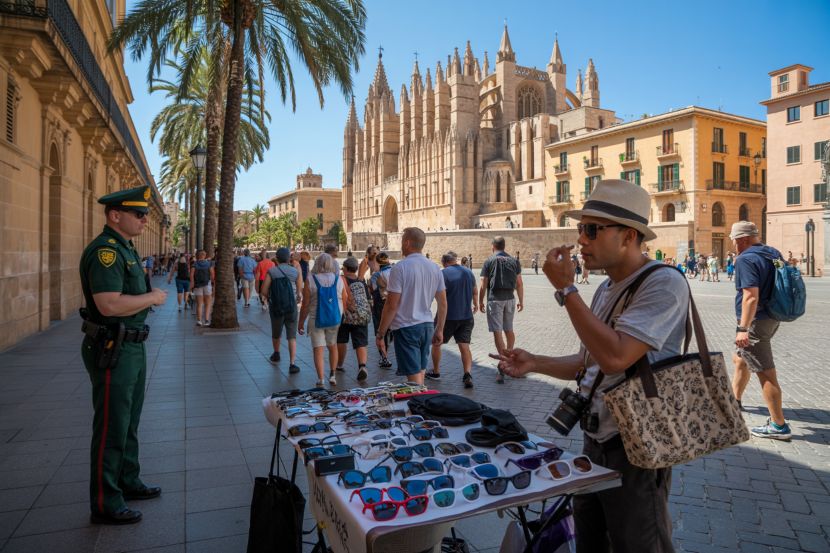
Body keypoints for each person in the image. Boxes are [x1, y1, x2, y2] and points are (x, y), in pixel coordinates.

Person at [493, 179, 687, 552]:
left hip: (637, 448)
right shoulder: (604, 288)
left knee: (637, 544)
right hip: (595, 441)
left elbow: (617, 356)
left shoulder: (663, 284)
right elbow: (590, 363)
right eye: (581, 229)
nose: (581, 239)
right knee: (589, 542)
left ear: (629, 236)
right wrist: (536, 362)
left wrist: (567, 291)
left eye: (592, 230)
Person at [79, 186, 168, 525]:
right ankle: (105, 501)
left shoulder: (125, 249)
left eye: (146, 214)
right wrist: (153, 298)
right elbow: (109, 303)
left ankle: (128, 481)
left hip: (130, 346)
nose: (145, 219)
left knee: (129, 421)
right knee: (112, 427)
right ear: (115, 216)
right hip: (112, 348)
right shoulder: (107, 252)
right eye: (138, 214)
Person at [729, 221, 791, 440]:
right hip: (772, 316)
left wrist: (743, 328)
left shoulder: (746, 259)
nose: (734, 245)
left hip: (756, 320)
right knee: (740, 358)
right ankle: (734, 400)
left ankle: (778, 425)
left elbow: (750, 296)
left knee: (765, 372)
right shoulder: (772, 253)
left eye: (734, 240)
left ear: (742, 239)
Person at [375, 228, 447, 385]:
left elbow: (391, 305)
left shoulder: (400, 268)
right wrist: (439, 329)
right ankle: (421, 405)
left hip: (406, 328)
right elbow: (443, 303)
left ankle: (420, 406)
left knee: (414, 383)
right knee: (419, 373)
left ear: (407, 243)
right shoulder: (435, 268)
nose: (401, 245)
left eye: (402, 241)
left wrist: (381, 333)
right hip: (426, 326)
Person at [426, 251, 477, 388]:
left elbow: (436, 295)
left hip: (448, 317)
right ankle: (467, 373)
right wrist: (476, 304)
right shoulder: (468, 272)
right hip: (466, 316)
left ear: (444, 262)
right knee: (464, 346)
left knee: (437, 343)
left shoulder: (443, 274)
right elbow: (475, 290)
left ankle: (436, 372)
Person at [479, 236, 524, 384]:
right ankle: (509, 355)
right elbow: (519, 283)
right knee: (509, 329)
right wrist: (521, 301)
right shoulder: (514, 260)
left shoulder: (489, 261)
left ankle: (504, 362)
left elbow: (483, 284)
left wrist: (480, 301)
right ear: (504, 246)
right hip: (510, 298)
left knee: (497, 331)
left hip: (495, 299)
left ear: (493, 246)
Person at [298, 253, 348, 386]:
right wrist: (343, 314)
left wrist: (301, 322)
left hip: (316, 319)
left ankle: (321, 378)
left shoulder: (311, 279)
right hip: (334, 318)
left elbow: (305, 304)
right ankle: (332, 374)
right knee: (333, 346)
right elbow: (345, 298)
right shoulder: (339, 279)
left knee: (318, 349)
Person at [261, 247, 303, 373]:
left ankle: (276, 353)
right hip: (291, 307)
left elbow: (263, 290)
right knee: (291, 336)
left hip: (276, 307)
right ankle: (292, 363)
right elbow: (299, 292)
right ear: (288, 258)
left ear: (277, 258)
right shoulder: (295, 272)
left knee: (276, 332)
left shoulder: (272, 271)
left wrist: (269, 297)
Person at [336, 257, 372, 381]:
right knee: (361, 341)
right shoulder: (361, 282)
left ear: (345, 269)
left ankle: (339, 364)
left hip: (344, 316)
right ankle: (362, 366)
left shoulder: (341, 280)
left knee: (341, 340)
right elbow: (368, 299)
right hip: (360, 316)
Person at [370, 252, 394, 368]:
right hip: (396, 303)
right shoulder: (396, 272)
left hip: (381, 304)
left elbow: (374, 291)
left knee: (380, 332)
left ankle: (384, 357)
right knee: (390, 330)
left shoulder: (376, 275)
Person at [190, 250, 214, 326]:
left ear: (198, 256)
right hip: (207, 284)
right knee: (208, 303)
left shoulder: (195, 264)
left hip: (197, 285)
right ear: (204, 255)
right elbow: (212, 274)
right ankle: (207, 320)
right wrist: (212, 283)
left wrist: (192, 283)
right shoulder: (208, 263)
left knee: (199, 304)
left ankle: (199, 320)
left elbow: (191, 274)